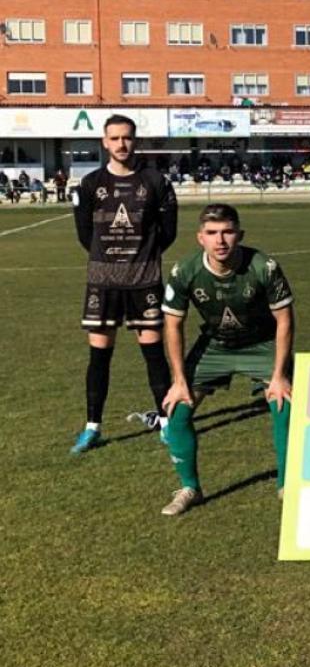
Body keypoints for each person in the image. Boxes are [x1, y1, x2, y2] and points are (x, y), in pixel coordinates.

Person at [159, 204, 295, 515]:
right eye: (212, 233)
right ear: (200, 238)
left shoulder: (264, 266)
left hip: (262, 344)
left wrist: (278, 375)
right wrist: (180, 381)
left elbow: (285, 320)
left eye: (227, 232)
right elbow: (173, 325)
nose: (220, 240)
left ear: (240, 235)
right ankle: (189, 488)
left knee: (283, 403)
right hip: (215, 346)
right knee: (178, 409)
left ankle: (287, 485)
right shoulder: (185, 271)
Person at [70, 114, 177, 454]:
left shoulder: (156, 181)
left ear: (135, 140)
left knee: (153, 355)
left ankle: (166, 423)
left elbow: (168, 232)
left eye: (127, 138)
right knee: (99, 356)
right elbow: (85, 234)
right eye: (114, 138)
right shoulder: (89, 184)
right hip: (104, 283)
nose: (121, 144)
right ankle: (92, 427)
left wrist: (140, 257)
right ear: (104, 142)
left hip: (144, 280)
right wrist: (111, 259)